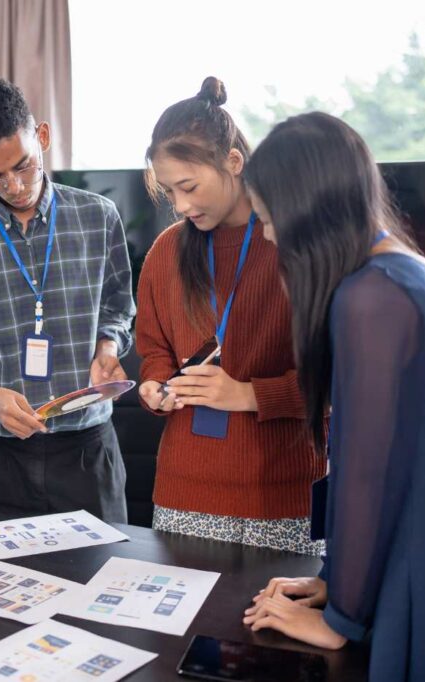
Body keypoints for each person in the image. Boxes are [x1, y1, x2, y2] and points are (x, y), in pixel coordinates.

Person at [242, 112, 425, 680]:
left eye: (269, 220)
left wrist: (341, 618)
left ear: (307, 213)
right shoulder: (401, 270)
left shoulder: (371, 298)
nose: (268, 237)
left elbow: (368, 474)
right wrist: (333, 581)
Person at [0, 78, 136, 522]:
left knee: (106, 564)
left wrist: (108, 348)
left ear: (43, 137)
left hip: (87, 446)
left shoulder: (98, 217)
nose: (14, 186)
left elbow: (117, 307)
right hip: (1, 455)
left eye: (24, 166)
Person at [135, 77, 324, 554]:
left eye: (189, 187)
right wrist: (154, 386)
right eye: (169, 192)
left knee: (277, 606)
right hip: (184, 492)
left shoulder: (295, 245)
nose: (180, 206)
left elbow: (338, 382)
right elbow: (154, 349)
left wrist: (248, 395)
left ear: (234, 163)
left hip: (283, 496)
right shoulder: (165, 252)